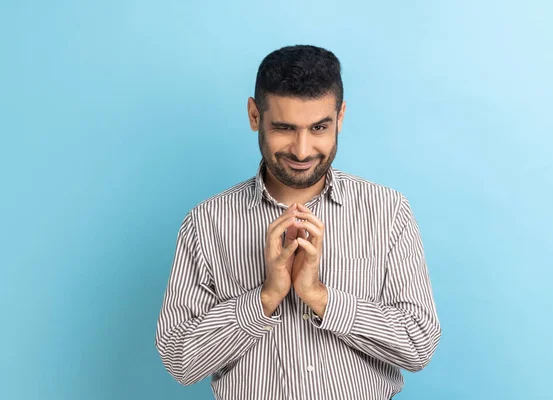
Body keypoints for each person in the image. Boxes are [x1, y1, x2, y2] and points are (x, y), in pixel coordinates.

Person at [155, 44, 442, 400]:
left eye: (319, 127)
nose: (302, 150)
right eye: (285, 128)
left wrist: (319, 297)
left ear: (340, 117)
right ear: (254, 116)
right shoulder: (205, 223)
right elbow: (180, 360)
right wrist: (265, 298)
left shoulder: (387, 211)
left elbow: (417, 344)